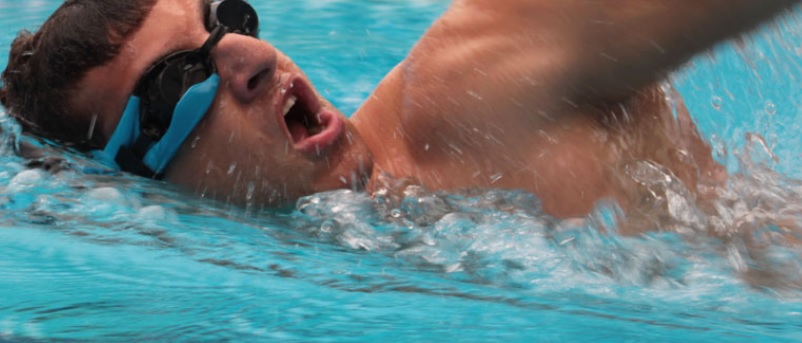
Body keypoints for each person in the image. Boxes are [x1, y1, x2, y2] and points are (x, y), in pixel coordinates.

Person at [0, 0, 797, 220]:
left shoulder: (474, 81)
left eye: (226, 18)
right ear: (133, 188)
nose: (251, 57)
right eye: (177, 83)